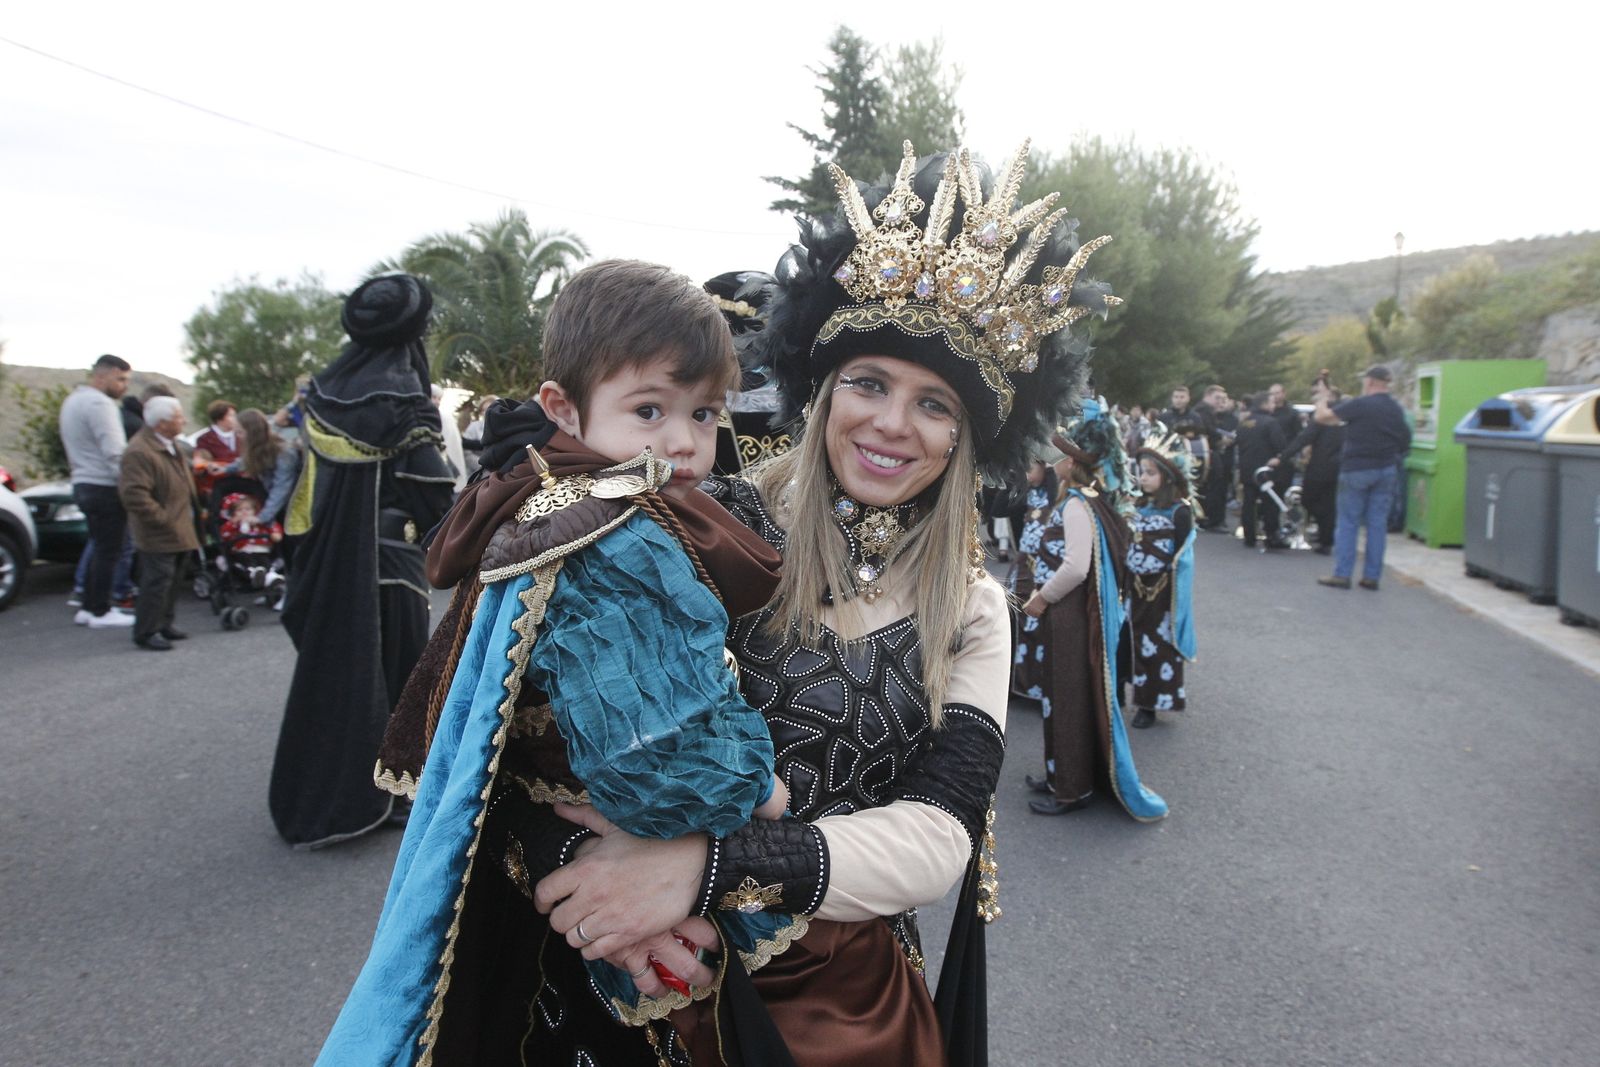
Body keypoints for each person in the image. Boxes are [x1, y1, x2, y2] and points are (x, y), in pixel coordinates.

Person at [323, 141, 1111, 1065]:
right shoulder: (686, 526)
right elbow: (498, 755)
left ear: (967, 436)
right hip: (630, 986)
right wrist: (580, 875)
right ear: (821, 395)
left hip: (843, 1013)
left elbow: (941, 833)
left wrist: (705, 869)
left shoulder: (975, 605)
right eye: (868, 382)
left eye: (935, 403)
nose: (893, 423)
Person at [319, 259, 801, 1062]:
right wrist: (765, 788)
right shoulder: (618, 534)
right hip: (628, 853)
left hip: (553, 864)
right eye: (649, 409)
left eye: (705, 413)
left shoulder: (547, 499)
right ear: (561, 407)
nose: (683, 441)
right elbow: (661, 757)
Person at [269, 274, 456, 848]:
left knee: (340, 675)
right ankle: (388, 789)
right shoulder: (399, 404)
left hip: (329, 560)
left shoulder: (325, 395)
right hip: (389, 564)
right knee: (395, 679)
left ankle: (335, 792)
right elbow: (433, 494)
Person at [1020, 398, 1168, 820]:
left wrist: (1040, 598)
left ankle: (1071, 787)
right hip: (1069, 615)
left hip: (1068, 615)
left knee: (1067, 697)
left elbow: (1076, 567)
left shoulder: (1076, 505)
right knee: (1059, 695)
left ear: (1072, 462)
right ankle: (1057, 773)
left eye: (1061, 455)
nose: (1053, 461)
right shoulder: (1089, 500)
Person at [1126, 426, 1199, 728]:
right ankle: (1141, 698)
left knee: (1159, 646)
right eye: (1141, 472)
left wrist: (1172, 588)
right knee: (1138, 643)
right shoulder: (1138, 505)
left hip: (1163, 593)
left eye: (1150, 473)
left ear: (1167, 477)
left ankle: (1153, 704)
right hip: (1137, 589)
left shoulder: (1179, 512)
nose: (1143, 478)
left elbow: (1184, 555)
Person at [1317, 364, 1411, 591]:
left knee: (1348, 522)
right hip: (1386, 469)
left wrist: (1321, 398)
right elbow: (1405, 440)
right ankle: (1371, 577)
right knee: (1377, 524)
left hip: (1356, 469)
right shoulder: (1395, 409)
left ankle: (1342, 574)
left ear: (1369, 382)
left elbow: (1323, 418)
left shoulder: (1360, 405)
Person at [118, 396, 200, 651]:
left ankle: (164, 623)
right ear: (162, 423)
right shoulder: (139, 451)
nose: (183, 420)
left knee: (173, 579)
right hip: (160, 531)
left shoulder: (171, 443)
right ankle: (146, 631)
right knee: (156, 582)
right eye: (178, 416)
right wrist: (162, 519)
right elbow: (134, 494)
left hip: (180, 527)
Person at [60, 354, 135, 629]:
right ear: (102, 375)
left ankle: (89, 606)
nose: (124, 386)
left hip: (82, 482)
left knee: (99, 547)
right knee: (110, 550)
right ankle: (101, 611)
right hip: (103, 486)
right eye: (121, 379)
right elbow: (115, 453)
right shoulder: (100, 404)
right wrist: (130, 488)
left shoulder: (73, 401)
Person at [1269, 374, 1344, 554]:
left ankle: (1325, 532)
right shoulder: (1344, 415)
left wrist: (1282, 457)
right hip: (1339, 464)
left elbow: (1303, 439)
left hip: (1320, 465)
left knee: (1308, 499)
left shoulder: (1319, 417)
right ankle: (1327, 537)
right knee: (1329, 503)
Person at [1010, 452, 1059, 702]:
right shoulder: (1028, 494)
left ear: (1045, 468)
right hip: (1023, 567)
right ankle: (1017, 686)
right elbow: (998, 510)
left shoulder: (1056, 497)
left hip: (1046, 569)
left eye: (1031, 467)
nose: (1027, 471)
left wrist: (1051, 473)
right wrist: (1017, 481)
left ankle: (1039, 689)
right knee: (1016, 623)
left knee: (1039, 627)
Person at [1233, 392, 1289, 548]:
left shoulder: (1244, 423)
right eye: (1271, 402)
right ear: (1264, 404)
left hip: (1246, 469)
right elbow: (1281, 445)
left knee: (1249, 503)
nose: (1274, 405)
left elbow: (1238, 442)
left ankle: (1249, 536)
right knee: (1269, 504)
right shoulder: (1271, 423)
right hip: (1265, 470)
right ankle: (1271, 536)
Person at [192, 400, 239, 501]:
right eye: (231, 416)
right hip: (217, 487)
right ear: (220, 418)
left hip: (243, 485)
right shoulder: (204, 439)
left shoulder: (241, 436)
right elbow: (200, 462)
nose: (235, 419)